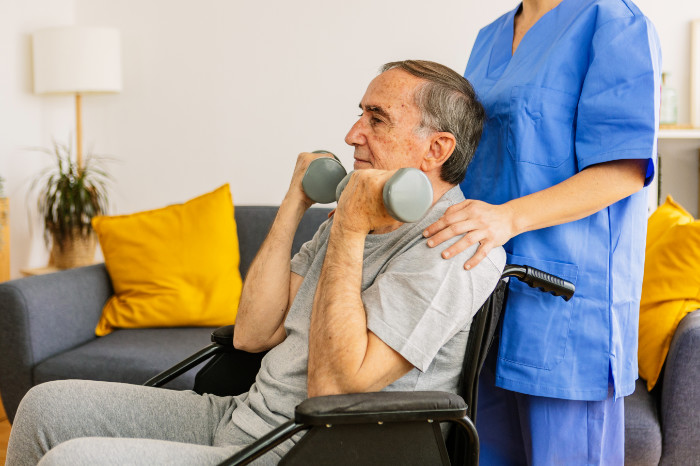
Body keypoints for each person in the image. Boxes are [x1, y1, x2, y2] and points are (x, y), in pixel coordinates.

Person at [6, 60, 506, 465]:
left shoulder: (453, 245)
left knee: (74, 461)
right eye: (359, 114)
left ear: (436, 149)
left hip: (310, 448)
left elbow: (335, 391)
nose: (353, 134)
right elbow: (252, 333)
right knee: (44, 405)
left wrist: (350, 227)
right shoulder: (352, 217)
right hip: (243, 419)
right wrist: (296, 203)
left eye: (377, 119)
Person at [422, 0, 661, 464]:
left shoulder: (614, 22)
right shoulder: (491, 35)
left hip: (566, 306)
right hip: (484, 292)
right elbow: (468, 161)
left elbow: (625, 169)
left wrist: (507, 218)